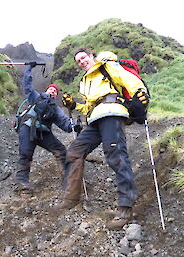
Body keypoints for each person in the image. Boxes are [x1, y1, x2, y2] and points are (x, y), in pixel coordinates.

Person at [54, 48, 149, 230]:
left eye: (83, 57)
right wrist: (75, 105)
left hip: (112, 113)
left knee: (115, 155)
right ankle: (71, 198)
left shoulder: (107, 67)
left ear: (91, 57)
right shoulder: (85, 81)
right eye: (78, 61)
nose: (81, 62)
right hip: (95, 118)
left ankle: (125, 208)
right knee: (74, 152)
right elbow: (90, 107)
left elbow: (129, 80)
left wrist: (140, 94)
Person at [14, 62, 81, 195]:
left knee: (61, 150)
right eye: (51, 89)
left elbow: (65, 124)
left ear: (56, 95)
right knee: (25, 155)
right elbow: (27, 85)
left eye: (55, 91)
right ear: (46, 90)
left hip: (43, 132)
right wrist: (29, 69)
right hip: (28, 128)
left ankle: (67, 179)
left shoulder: (55, 109)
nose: (53, 91)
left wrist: (75, 126)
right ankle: (22, 184)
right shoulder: (36, 97)